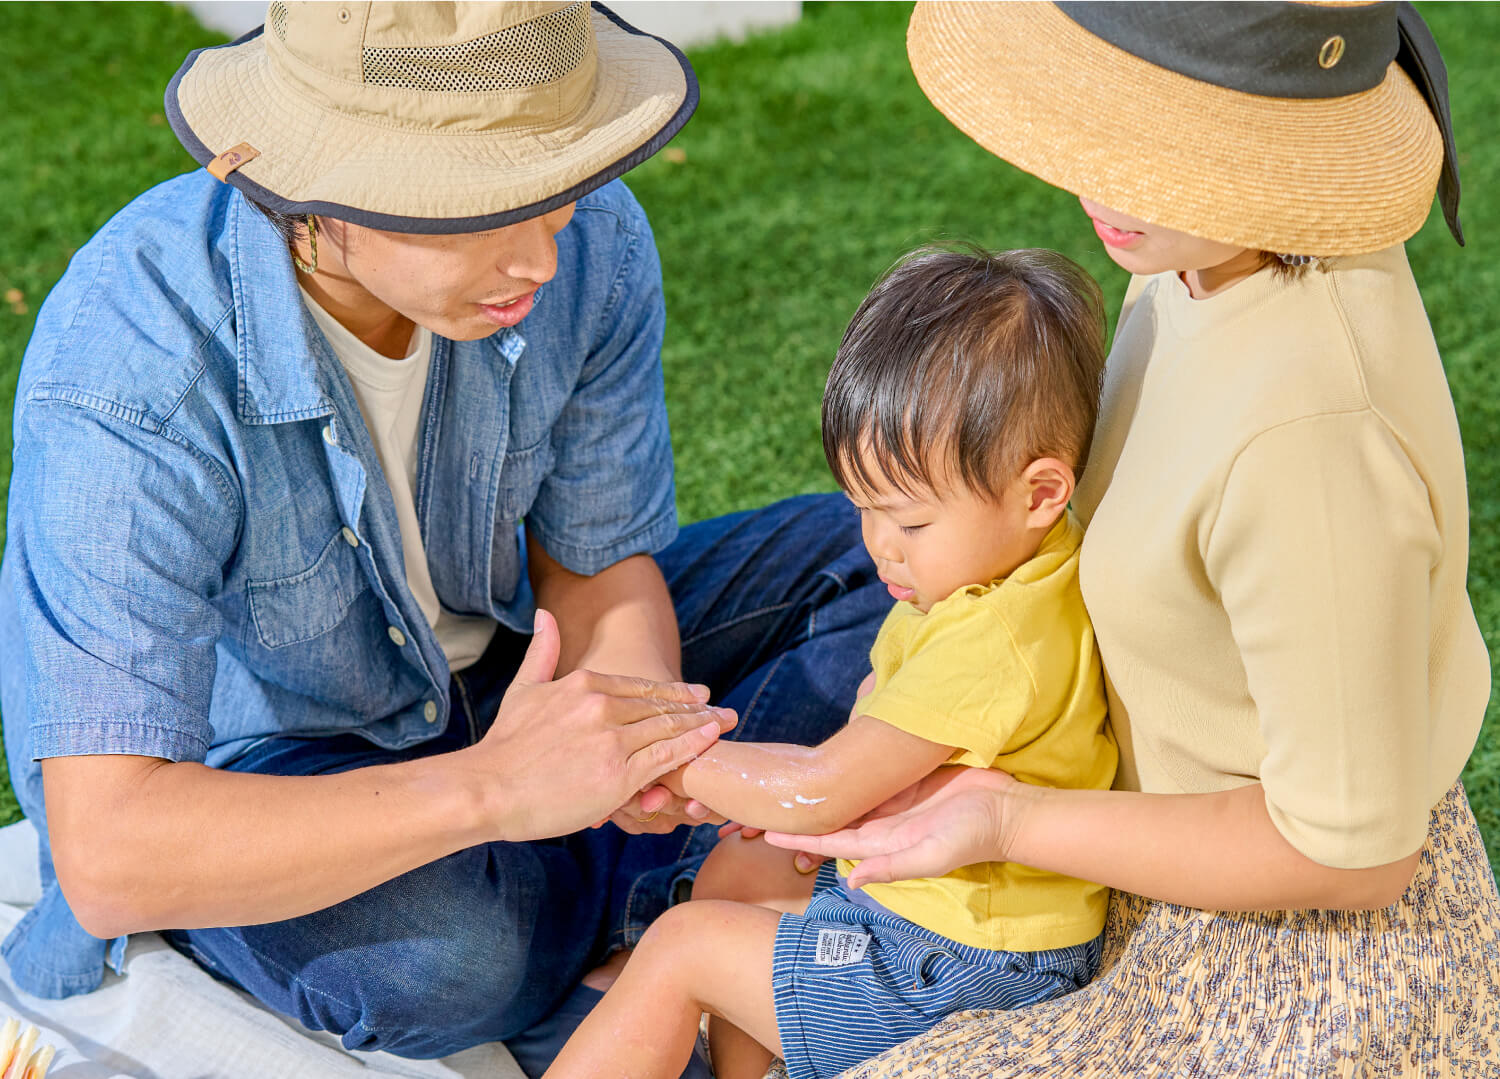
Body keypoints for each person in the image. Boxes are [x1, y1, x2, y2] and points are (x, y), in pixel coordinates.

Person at [0, 3, 891, 1072]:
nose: (543, 257)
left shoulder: (592, 243)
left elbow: (598, 569)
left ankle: (648, 905)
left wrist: (639, 744)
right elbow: (108, 848)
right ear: (321, 193)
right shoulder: (132, 365)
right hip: (274, 764)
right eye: (482, 209)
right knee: (451, 957)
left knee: (881, 555)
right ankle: (699, 896)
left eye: (553, 191)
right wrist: (499, 790)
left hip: (516, 669)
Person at [762, 3, 1500, 1075]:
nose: (1101, 181)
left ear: (1267, 137)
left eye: (1158, 140)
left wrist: (1013, 819)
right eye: (1105, 119)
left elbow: (1353, 855)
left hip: (1306, 974)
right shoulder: (1209, 249)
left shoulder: (1308, 437)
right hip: (1158, 864)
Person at [544, 245, 1119, 1079]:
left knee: (680, 948)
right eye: (863, 507)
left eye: (909, 522)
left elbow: (821, 790)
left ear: (1041, 492)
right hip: (932, 910)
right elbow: (840, 774)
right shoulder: (1011, 565)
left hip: (963, 961)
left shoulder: (994, 640)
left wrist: (662, 763)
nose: (877, 545)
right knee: (741, 864)